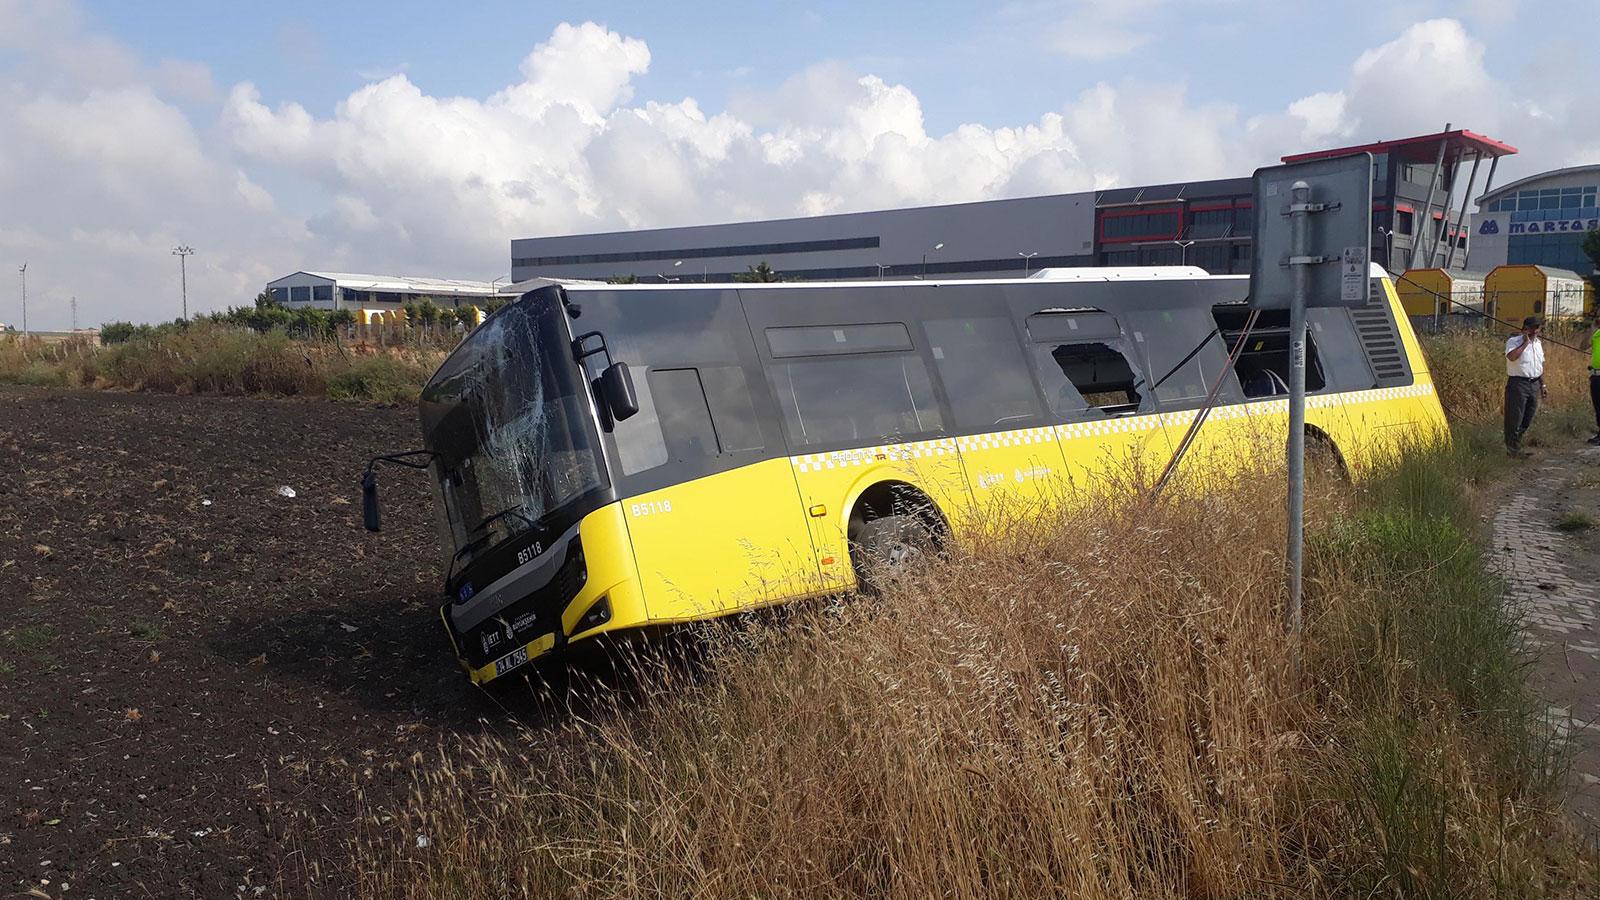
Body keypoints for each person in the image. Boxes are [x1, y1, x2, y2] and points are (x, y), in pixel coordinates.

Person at [1504, 315, 1546, 457]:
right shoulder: (1513, 341)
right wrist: (1525, 344)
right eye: (1532, 328)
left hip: (1534, 384)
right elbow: (1512, 357)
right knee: (1515, 417)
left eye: (1537, 328)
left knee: (1528, 417)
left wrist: (1543, 384)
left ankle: (1517, 444)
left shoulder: (1538, 344)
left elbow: (1540, 366)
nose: (1535, 331)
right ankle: (1512, 449)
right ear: (1525, 329)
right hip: (1518, 384)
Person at [1586, 317, 1600, 446]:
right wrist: (1591, 330)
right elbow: (1583, 346)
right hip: (1596, 376)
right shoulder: (1596, 334)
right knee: (1598, 406)